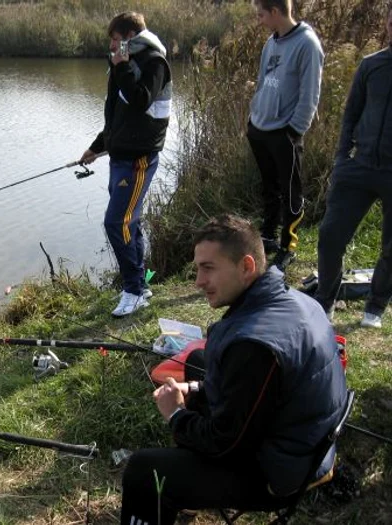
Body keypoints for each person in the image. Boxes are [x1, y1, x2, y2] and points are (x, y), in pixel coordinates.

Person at [120, 214, 347, 525]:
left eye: (208, 268)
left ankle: (177, 493)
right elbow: (249, 391)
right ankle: (187, 496)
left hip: (279, 472)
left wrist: (176, 415)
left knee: (143, 471)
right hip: (300, 438)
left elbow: (224, 444)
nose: (199, 281)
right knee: (199, 364)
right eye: (198, 268)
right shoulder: (298, 300)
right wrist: (197, 390)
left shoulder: (254, 346)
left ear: (247, 266)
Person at [79, 11, 172, 317]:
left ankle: (132, 290)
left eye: (116, 41)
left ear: (130, 37)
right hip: (119, 157)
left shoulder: (154, 62)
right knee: (131, 221)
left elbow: (141, 99)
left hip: (139, 159)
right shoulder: (120, 64)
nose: (112, 46)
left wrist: (123, 65)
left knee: (116, 222)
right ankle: (142, 284)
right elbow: (117, 115)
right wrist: (96, 147)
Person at [315, 6, 392, 329]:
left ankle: (375, 306)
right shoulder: (372, 65)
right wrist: (341, 160)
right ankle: (325, 303)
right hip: (358, 168)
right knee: (330, 236)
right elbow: (350, 116)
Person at [247, 0, 324, 271]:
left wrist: (294, 131)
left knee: (291, 191)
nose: (259, 20)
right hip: (260, 128)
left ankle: (287, 245)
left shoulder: (307, 44)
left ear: (276, 12)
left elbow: (310, 95)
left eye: (261, 14)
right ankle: (267, 235)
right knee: (269, 187)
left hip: (284, 133)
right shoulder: (271, 42)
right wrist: (253, 117)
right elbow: (261, 82)